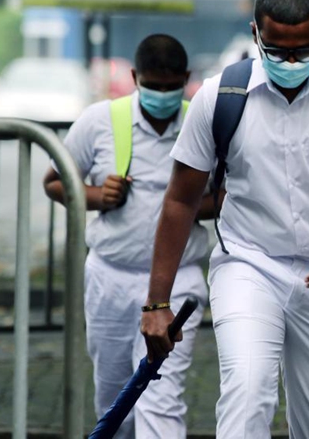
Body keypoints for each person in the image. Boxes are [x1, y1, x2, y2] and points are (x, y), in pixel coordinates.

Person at [140, 0, 309, 438]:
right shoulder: (220, 98)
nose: (292, 61)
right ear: (255, 34)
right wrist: (157, 302)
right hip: (247, 266)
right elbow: (180, 200)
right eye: (277, 50)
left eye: (304, 49)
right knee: (247, 391)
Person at [43, 34, 211, 438]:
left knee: (160, 398)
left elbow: (227, 195)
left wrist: (184, 207)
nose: (163, 94)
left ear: (186, 80)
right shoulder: (98, 120)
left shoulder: (202, 122)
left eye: (172, 87)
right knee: (115, 398)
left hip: (179, 279)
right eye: (153, 86)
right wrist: (99, 196)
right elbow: (54, 182)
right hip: (110, 277)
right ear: (135, 77)